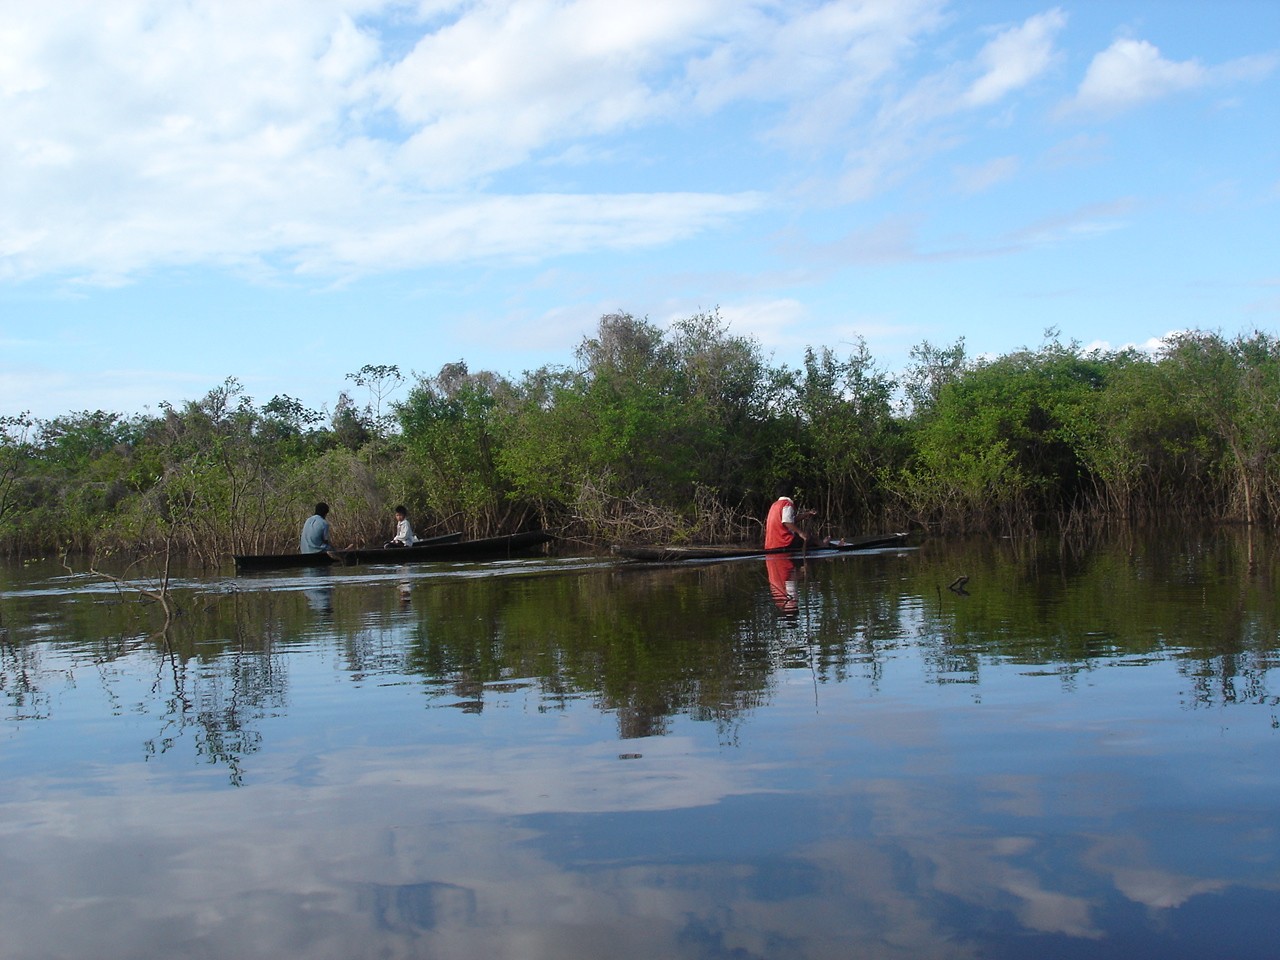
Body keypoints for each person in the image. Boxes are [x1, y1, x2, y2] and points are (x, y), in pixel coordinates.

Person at [764, 482, 823, 551]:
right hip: (784, 542)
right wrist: (801, 533)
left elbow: (790, 520)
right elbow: (787, 522)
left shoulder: (774, 505)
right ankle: (825, 545)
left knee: (811, 540)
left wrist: (807, 514)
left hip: (771, 544)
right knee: (813, 540)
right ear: (791, 493)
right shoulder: (787, 504)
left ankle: (823, 543)